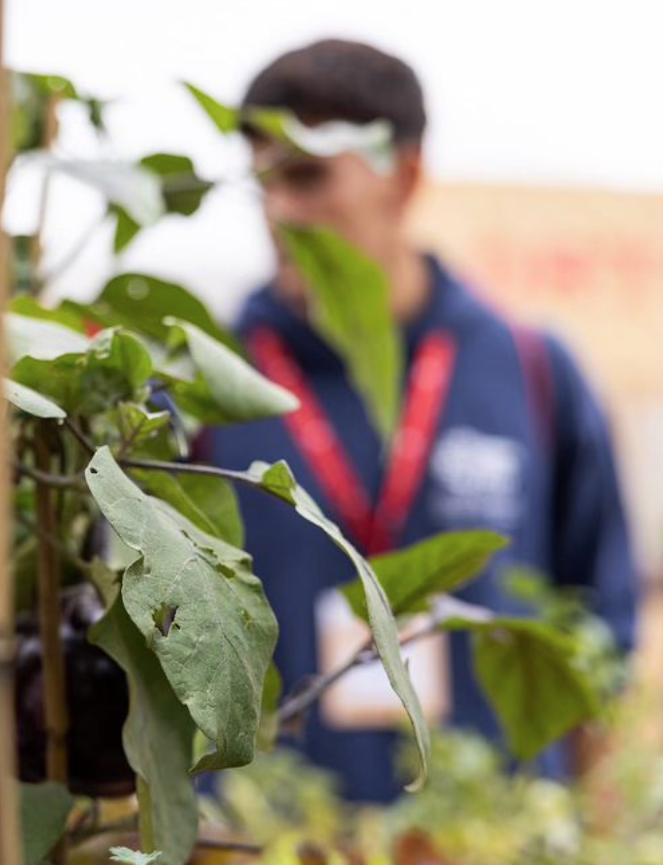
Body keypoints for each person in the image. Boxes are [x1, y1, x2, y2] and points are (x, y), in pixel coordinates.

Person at [197, 39, 638, 801]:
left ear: (403, 179)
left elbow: (601, 634)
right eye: (262, 184)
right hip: (267, 856)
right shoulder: (204, 388)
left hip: (489, 850)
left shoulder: (532, 372)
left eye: (306, 178)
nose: (279, 213)